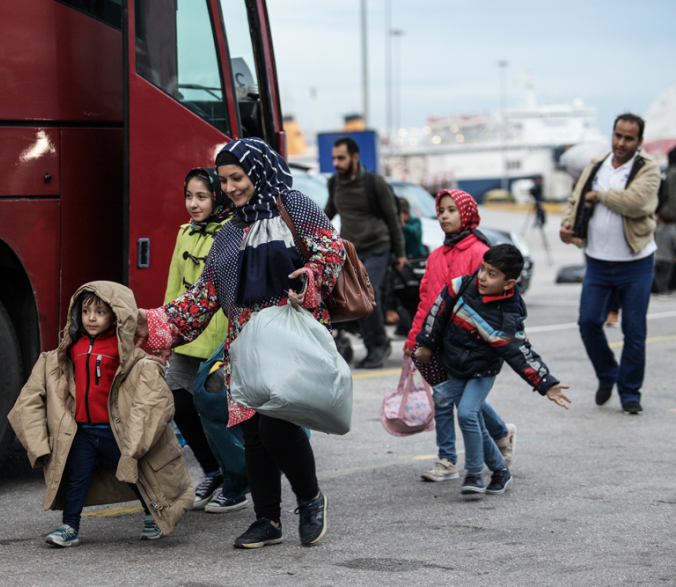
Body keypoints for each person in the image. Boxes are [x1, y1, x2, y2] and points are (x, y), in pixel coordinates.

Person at [136, 137, 345, 549]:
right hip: (245, 345)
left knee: (275, 424)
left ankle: (310, 498)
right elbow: (204, 296)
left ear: (260, 172)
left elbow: (330, 247)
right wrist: (152, 321)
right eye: (225, 180)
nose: (231, 187)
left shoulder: (293, 205)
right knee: (251, 431)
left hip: (292, 337)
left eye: (239, 177)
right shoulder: (228, 234)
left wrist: (311, 275)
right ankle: (267, 520)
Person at [8, 282, 194, 548]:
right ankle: (70, 526)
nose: (91, 318)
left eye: (100, 312)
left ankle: (152, 514)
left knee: (135, 475)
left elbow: (143, 384)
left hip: (113, 431)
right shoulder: (70, 349)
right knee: (76, 478)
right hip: (83, 431)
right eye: (85, 311)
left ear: (117, 316)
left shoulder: (124, 352)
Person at [414, 245, 571, 495]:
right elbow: (437, 315)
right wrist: (426, 344)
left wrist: (545, 382)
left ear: (509, 284)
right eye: (483, 269)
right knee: (472, 416)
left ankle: (474, 474)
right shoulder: (460, 286)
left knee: (467, 414)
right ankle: (500, 470)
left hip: (482, 371)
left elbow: (520, 353)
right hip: (453, 364)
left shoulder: (508, 315)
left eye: (492, 274)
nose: (483, 277)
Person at [403, 189, 515, 482]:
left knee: (459, 400)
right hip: (433, 340)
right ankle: (448, 458)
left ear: (466, 213)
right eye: (441, 211)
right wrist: (415, 337)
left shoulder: (479, 252)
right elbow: (426, 299)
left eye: (451, 210)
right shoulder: (436, 255)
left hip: (464, 344)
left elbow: (485, 301)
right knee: (445, 398)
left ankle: (491, 441)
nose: (444, 216)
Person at [559, 113, 661, 414]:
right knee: (588, 322)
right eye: (618, 135)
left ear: (639, 141)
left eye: (629, 138)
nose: (621, 143)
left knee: (634, 330)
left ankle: (630, 393)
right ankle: (608, 375)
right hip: (598, 262)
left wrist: (599, 195)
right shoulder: (597, 164)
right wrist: (568, 227)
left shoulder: (649, 169)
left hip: (636, 263)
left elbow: (635, 202)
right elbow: (577, 200)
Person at [162, 167, 248, 513]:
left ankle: (236, 482)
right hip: (186, 338)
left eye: (201, 196)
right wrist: (166, 331)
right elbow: (174, 286)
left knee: (222, 414)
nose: (193, 204)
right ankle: (213, 471)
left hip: (219, 338)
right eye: (188, 196)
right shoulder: (185, 233)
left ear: (218, 197)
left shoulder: (233, 232)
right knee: (179, 403)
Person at [324, 136, 406, 368]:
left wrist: (400, 254)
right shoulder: (334, 183)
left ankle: (378, 346)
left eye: (341, 158)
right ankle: (358, 339)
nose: (336, 163)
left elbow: (392, 218)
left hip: (378, 247)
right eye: (334, 158)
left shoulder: (374, 182)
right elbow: (329, 212)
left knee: (367, 295)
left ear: (355, 157)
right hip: (351, 251)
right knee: (345, 295)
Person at [653, 208, 676, 294]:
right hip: (668, 258)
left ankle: (658, 289)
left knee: (657, 276)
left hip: (657, 256)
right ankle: (663, 290)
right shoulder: (673, 232)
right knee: (665, 276)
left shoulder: (657, 230)